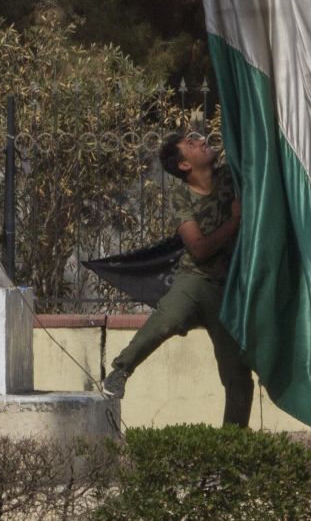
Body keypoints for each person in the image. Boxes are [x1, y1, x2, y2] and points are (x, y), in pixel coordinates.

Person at [100, 130, 253, 428]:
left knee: (237, 373)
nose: (202, 141)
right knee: (167, 319)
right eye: (191, 144)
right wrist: (235, 221)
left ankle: (233, 443)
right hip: (194, 281)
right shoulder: (181, 197)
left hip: (229, 289)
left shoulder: (229, 177)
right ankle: (121, 370)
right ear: (184, 165)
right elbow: (198, 248)